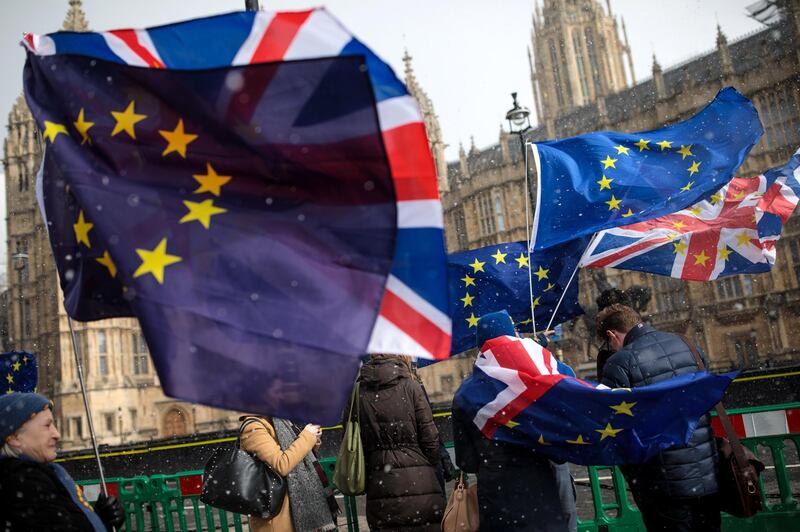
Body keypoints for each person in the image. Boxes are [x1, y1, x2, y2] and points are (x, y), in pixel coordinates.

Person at [596, 304, 720, 531]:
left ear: (611, 335)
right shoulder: (689, 345)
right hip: (707, 475)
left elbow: (616, 428)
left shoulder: (619, 363)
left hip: (661, 483)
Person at [452, 311, 577, 531]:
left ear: (481, 347)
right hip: (543, 495)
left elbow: (466, 461)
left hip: (496, 500)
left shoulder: (466, 394)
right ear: (513, 339)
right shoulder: (540, 378)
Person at [0, 392, 125, 531]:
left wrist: (100, 519)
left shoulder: (27, 478)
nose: (57, 435)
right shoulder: (23, 482)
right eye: (47, 426)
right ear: (14, 438)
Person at [355, 354, 445, 531]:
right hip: (420, 483)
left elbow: (353, 443)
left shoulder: (358, 392)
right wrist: (426, 465)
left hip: (379, 484)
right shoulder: (411, 387)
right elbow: (430, 439)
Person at [239, 415, 337, 532]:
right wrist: (307, 436)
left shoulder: (280, 421)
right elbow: (282, 464)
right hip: (279, 516)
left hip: (296, 508)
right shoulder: (253, 427)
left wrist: (313, 438)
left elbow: (297, 457)